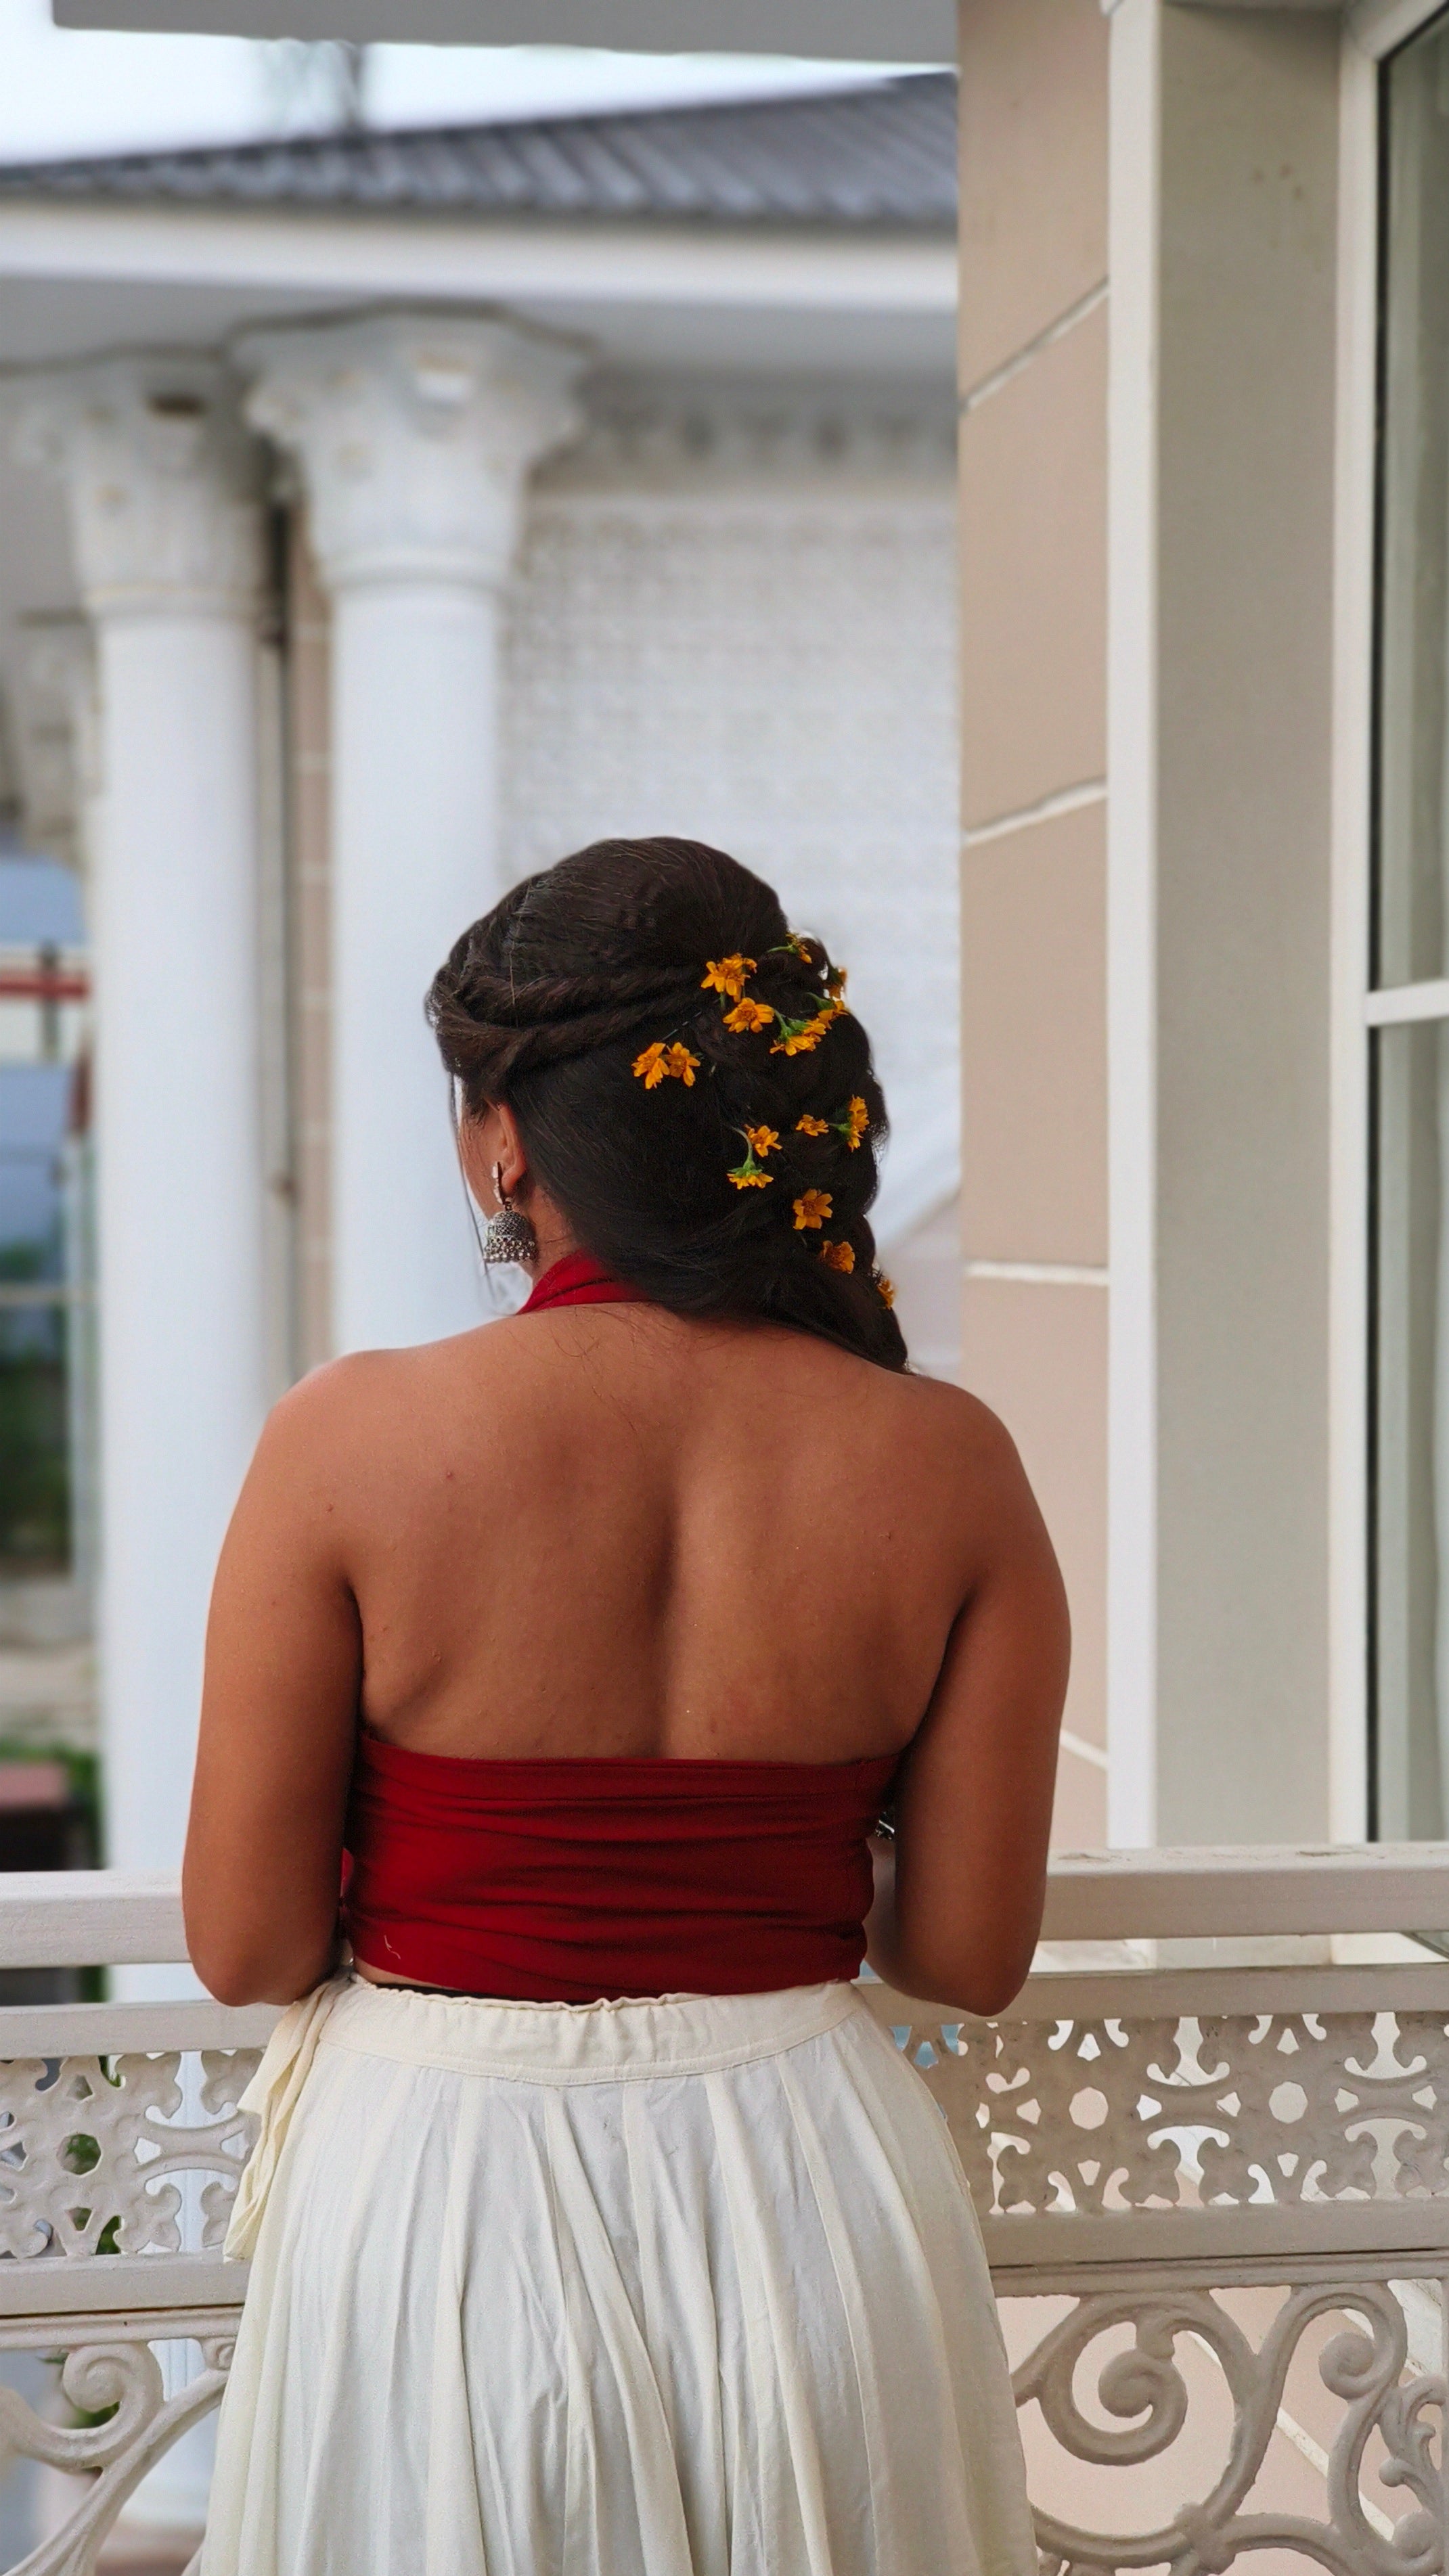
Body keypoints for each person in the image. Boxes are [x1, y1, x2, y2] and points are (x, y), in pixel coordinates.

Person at [185, 836, 1069, 2576]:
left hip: (441, 2195)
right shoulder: (948, 1464)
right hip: (814, 2198)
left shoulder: (348, 1440)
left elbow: (245, 1943)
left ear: (505, 1136)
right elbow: (963, 1952)